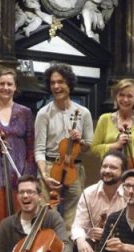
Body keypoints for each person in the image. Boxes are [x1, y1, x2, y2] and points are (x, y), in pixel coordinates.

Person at [34, 62, 94, 232]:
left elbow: (88, 146)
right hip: (50, 166)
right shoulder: (43, 113)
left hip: (75, 168)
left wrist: (80, 141)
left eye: (60, 82)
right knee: (46, 215)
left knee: (73, 217)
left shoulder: (83, 113)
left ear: (69, 83)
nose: (56, 86)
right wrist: (44, 175)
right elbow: (39, 149)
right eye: (52, 83)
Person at [70, 150, 127, 252]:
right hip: (92, 247)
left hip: (119, 247)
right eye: (104, 166)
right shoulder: (89, 193)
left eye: (113, 168)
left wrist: (107, 236)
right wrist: (81, 241)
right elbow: (78, 225)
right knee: (77, 246)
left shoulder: (129, 195)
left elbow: (133, 230)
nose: (107, 170)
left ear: (123, 171)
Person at [0, 68, 36, 194]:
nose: (5, 87)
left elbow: (31, 147)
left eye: (9, 84)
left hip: (18, 170)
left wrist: (28, 176)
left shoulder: (25, 112)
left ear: (15, 87)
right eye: (1, 83)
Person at [91, 78, 134, 178]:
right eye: (121, 95)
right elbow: (94, 149)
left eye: (130, 96)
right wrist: (116, 145)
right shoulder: (104, 119)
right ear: (116, 96)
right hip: (110, 174)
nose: (125, 100)